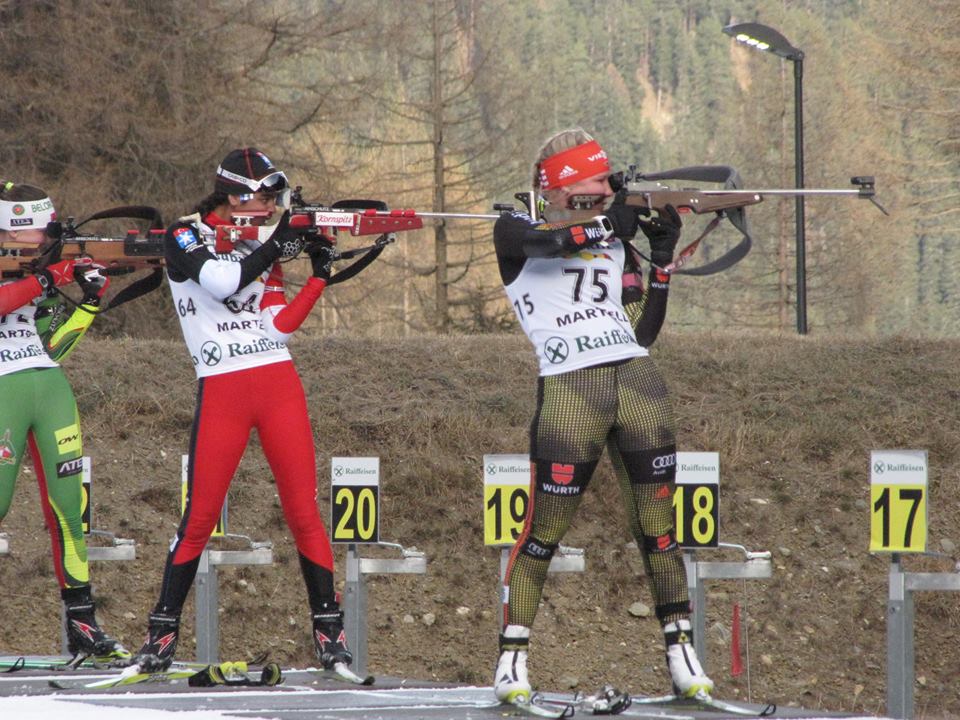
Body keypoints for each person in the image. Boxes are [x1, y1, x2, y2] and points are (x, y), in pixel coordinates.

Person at [491, 129, 714, 704]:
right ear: (562, 190)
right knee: (544, 531)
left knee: (659, 530)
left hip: (636, 381)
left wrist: (659, 260)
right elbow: (548, 247)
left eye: (604, 188)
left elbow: (642, 331)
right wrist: (610, 222)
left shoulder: (616, 242)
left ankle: (682, 653)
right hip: (571, 388)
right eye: (590, 188)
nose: (601, 195)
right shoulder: (514, 231)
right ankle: (512, 660)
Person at [135, 148, 353, 673]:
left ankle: (330, 635)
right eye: (262, 198)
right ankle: (161, 636)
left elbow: (277, 325)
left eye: (274, 201)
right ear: (235, 196)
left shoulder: (258, 240)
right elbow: (220, 282)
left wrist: (319, 275)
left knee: (304, 512)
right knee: (200, 518)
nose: (269, 208)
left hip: (277, 381)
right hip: (223, 388)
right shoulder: (184, 235)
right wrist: (279, 239)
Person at [0, 181, 129, 666]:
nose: (45, 235)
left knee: (70, 512)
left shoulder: (39, 265)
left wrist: (91, 300)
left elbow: (54, 348)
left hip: (47, 384)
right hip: (2, 389)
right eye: (37, 228)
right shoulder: (29, 270)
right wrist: (48, 279)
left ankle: (83, 624)